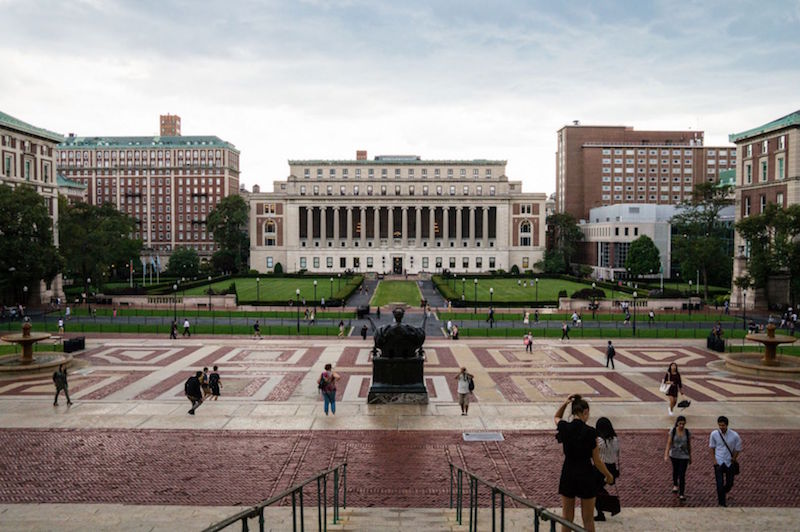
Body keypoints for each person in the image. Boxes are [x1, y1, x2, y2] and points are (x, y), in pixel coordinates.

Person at [554, 395, 615, 532]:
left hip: (568, 472)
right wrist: (608, 475)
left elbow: (556, 417)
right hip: (586, 474)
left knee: (567, 518)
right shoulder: (591, 432)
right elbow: (597, 461)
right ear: (585, 412)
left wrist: (566, 402)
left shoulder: (565, 427)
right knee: (587, 519)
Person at [709, 416, 742, 507]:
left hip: (729, 462)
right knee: (719, 483)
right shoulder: (714, 434)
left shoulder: (734, 435)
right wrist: (714, 461)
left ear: (726, 425)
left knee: (729, 483)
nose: (721, 427)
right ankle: (721, 503)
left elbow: (738, 448)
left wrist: (734, 458)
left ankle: (723, 492)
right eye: (720, 425)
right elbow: (711, 448)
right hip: (719, 461)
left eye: (723, 425)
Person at [594, 417, 620, 521]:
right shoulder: (615, 439)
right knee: (599, 489)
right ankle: (605, 508)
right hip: (612, 467)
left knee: (595, 490)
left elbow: (594, 453)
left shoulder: (599, 441)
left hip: (601, 467)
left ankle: (606, 508)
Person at [664, 415, 692, 501]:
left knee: (682, 474)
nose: (681, 425)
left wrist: (690, 456)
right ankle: (675, 484)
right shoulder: (673, 431)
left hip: (684, 455)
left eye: (683, 424)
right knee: (675, 470)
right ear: (677, 423)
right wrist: (666, 454)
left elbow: (689, 445)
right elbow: (669, 443)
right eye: (680, 423)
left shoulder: (687, 432)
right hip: (674, 454)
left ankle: (682, 493)